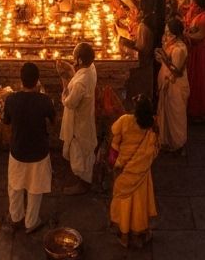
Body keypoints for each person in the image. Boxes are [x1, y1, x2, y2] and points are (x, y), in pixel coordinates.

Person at [2, 62, 55, 235]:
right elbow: (53, 120)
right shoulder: (44, 101)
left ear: (21, 80)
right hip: (39, 152)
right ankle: (31, 221)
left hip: (18, 150)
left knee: (15, 186)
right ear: (37, 81)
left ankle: (16, 217)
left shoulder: (11, 99)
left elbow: (6, 121)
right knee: (35, 188)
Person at [109, 96, 159, 248]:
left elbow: (115, 143)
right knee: (139, 205)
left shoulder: (124, 120)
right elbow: (154, 151)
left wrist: (115, 163)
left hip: (123, 170)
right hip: (141, 174)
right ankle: (139, 232)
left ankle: (124, 237)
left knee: (125, 203)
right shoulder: (153, 128)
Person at [58, 41, 97, 194]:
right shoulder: (91, 69)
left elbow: (69, 102)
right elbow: (78, 75)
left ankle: (83, 185)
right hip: (86, 119)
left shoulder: (80, 82)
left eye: (75, 58)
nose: (73, 60)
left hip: (78, 123)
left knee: (80, 153)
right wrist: (70, 70)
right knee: (85, 151)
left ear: (80, 60)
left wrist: (64, 79)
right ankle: (84, 180)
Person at [155, 17, 190, 152]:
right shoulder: (172, 45)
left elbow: (176, 71)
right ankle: (166, 140)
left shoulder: (179, 50)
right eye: (165, 33)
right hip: (167, 83)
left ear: (175, 34)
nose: (166, 36)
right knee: (166, 113)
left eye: (169, 33)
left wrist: (163, 57)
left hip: (175, 85)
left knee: (176, 115)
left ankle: (178, 143)